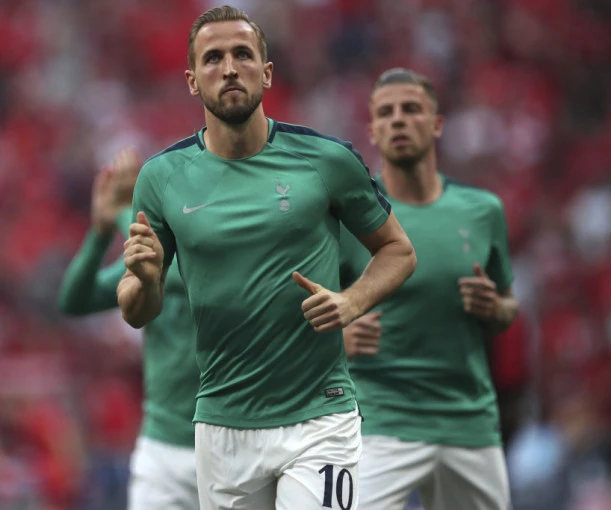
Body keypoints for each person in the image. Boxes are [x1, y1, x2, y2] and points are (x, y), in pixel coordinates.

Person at [117, 6, 417, 510]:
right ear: (192, 80)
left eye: (242, 54)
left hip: (320, 416)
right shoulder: (161, 178)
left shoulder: (325, 160)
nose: (230, 68)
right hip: (223, 424)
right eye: (213, 58)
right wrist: (146, 281)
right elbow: (137, 310)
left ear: (267, 71)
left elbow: (398, 249)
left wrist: (351, 301)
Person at [340, 68, 519, 510]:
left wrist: (495, 309)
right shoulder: (349, 218)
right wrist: (336, 337)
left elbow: (509, 305)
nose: (399, 120)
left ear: (437, 124)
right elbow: (301, 307)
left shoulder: (482, 211)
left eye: (411, 109)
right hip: (378, 421)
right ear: (372, 131)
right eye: (386, 113)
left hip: (469, 422)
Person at [58, 147, 200, 510]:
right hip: (162, 444)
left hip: (224, 440)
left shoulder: (214, 258)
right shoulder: (145, 270)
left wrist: (124, 211)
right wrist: (100, 232)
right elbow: (74, 299)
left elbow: (175, 272)